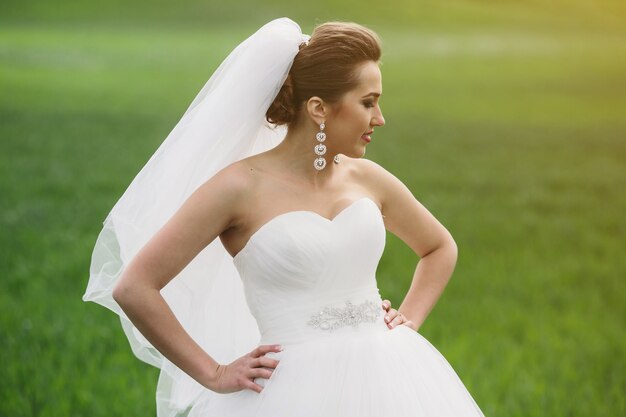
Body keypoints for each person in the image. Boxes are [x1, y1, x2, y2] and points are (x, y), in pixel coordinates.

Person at [83, 17, 486, 416]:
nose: (380, 118)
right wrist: (215, 373)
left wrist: (408, 321)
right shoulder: (237, 188)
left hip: (391, 378)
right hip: (290, 393)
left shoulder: (369, 178)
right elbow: (135, 287)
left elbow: (438, 247)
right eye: (368, 102)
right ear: (318, 108)